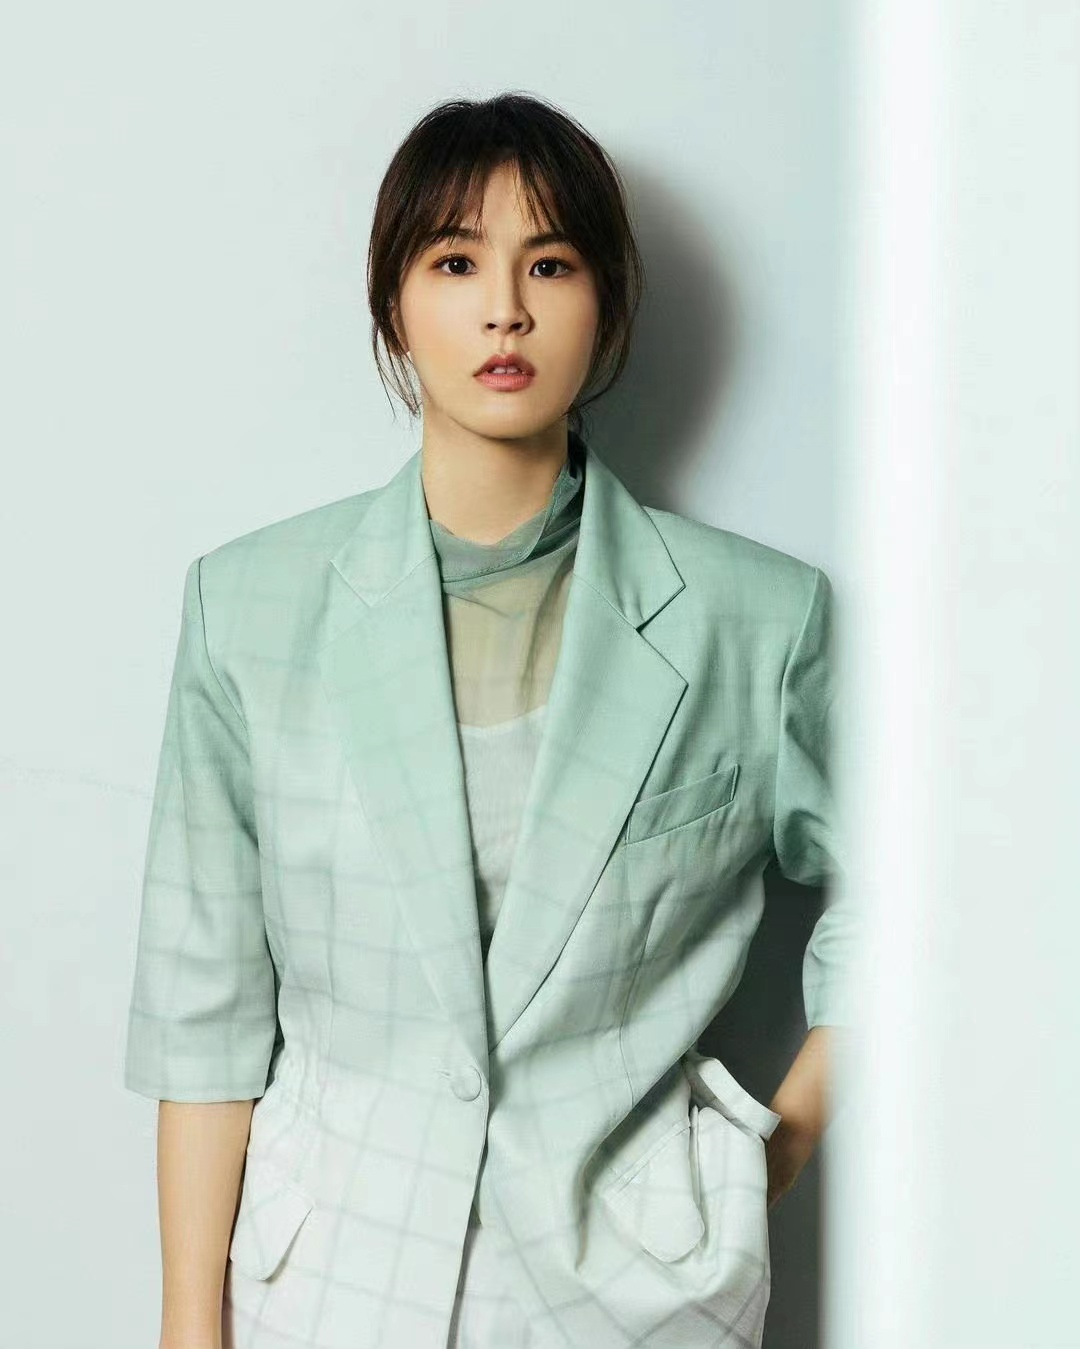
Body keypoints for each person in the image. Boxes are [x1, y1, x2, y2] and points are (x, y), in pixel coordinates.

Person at [124, 91, 853, 1349]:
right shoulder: (246, 607)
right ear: (393, 303)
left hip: (638, 1299)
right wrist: (190, 1324)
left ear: (606, 301)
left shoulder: (759, 617)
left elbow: (927, 899)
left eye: (550, 264)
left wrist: (777, 1143)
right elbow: (204, 1012)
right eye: (456, 262)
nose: (504, 308)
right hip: (327, 1292)